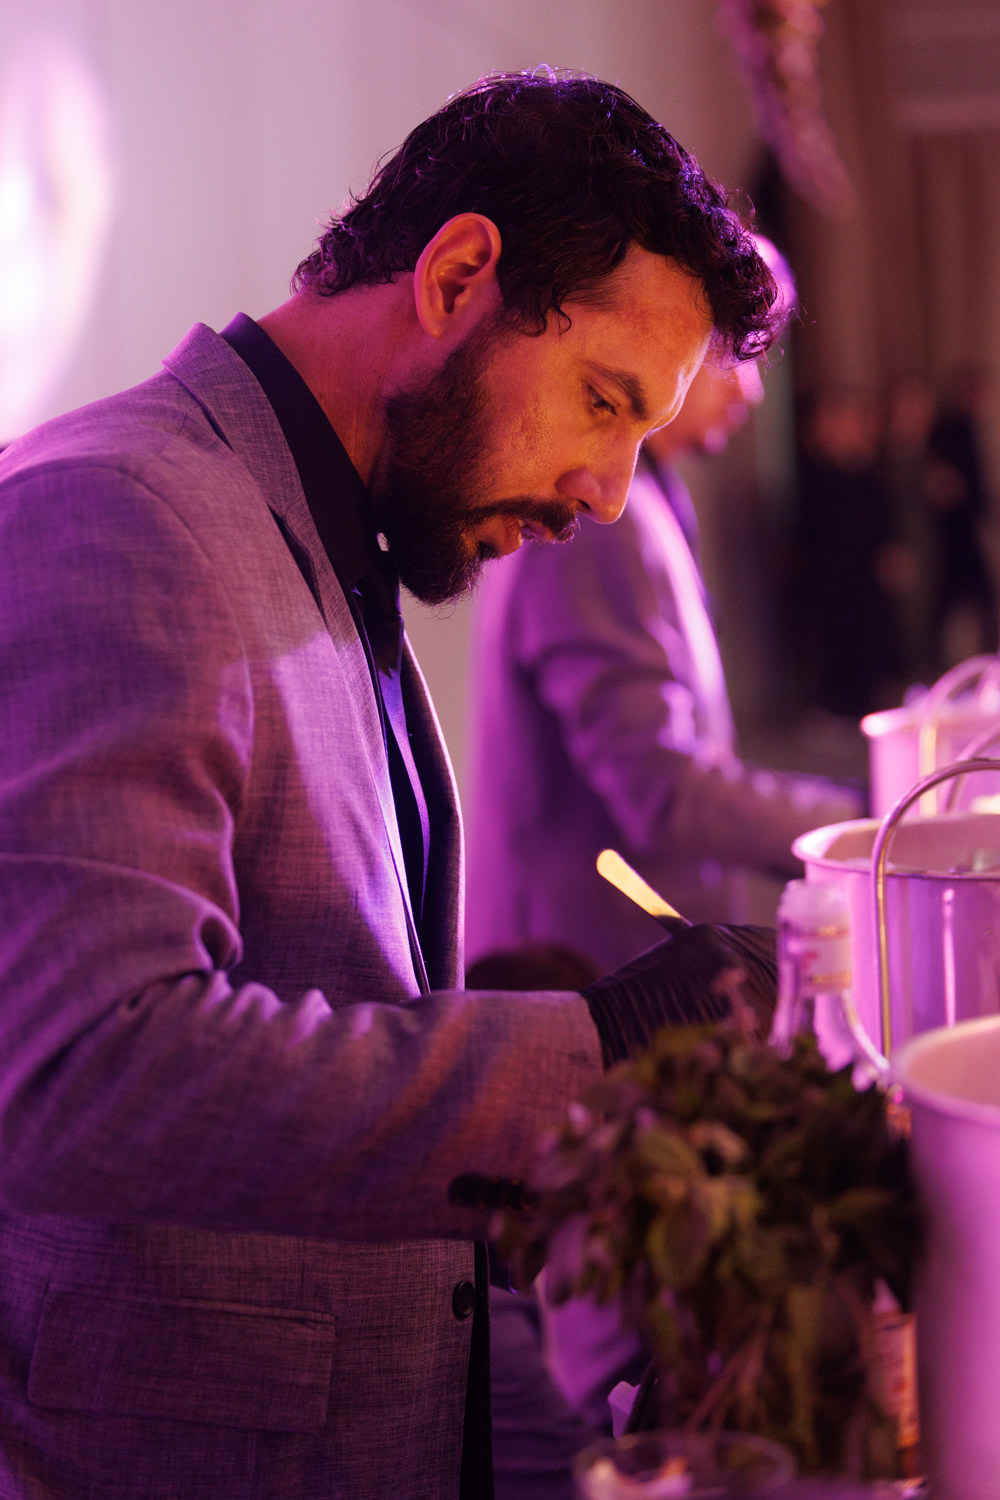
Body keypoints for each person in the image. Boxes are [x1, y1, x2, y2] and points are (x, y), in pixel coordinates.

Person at [0, 71, 781, 1500]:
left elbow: (326, 990)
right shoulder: (122, 511)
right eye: (602, 402)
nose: (610, 493)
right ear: (458, 277)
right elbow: (82, 1067)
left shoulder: (317, 525)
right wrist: (597, 1058)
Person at [465, 237, 861, 976]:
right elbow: (659, 786)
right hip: (581, 967)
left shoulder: (647, 495)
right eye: (736, 356)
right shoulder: (598, 523)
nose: (752, 392)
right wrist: (858, 825)